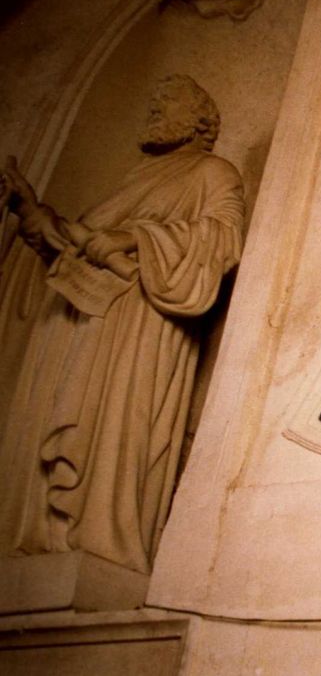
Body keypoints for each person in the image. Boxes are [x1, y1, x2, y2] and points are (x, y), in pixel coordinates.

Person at [0, 74, 245, 573]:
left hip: (135, 322)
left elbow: (224, 238)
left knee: (106, 426)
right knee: (62, 418)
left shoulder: (211, 171)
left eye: (165, 102)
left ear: (198, 119)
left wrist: (137, 239)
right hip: (80, 320)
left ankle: (97, 538)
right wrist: (31, 210)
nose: (153, 110)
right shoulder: (136, 179)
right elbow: (75, 246)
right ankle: (48, 538)